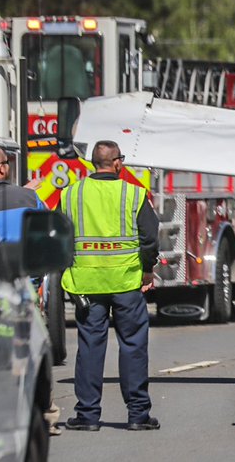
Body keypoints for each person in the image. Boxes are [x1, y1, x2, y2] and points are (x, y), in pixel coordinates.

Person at [59, 141, 160, 431]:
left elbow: (59, 235)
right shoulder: (133, 194)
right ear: (116, 163)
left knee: (90, 346)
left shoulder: (70, 195)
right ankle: (138, 415)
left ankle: (88, 416)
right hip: (126, 282)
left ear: (93, 163)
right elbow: (150, 238)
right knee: (133, 345)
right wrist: (147, 270)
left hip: (86, 283)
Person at [0, 146, 64, 436]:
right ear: (2, 168)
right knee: (33, 352)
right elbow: (46, 232)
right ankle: (46, 417)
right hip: (24, 289)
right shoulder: (28, 197)